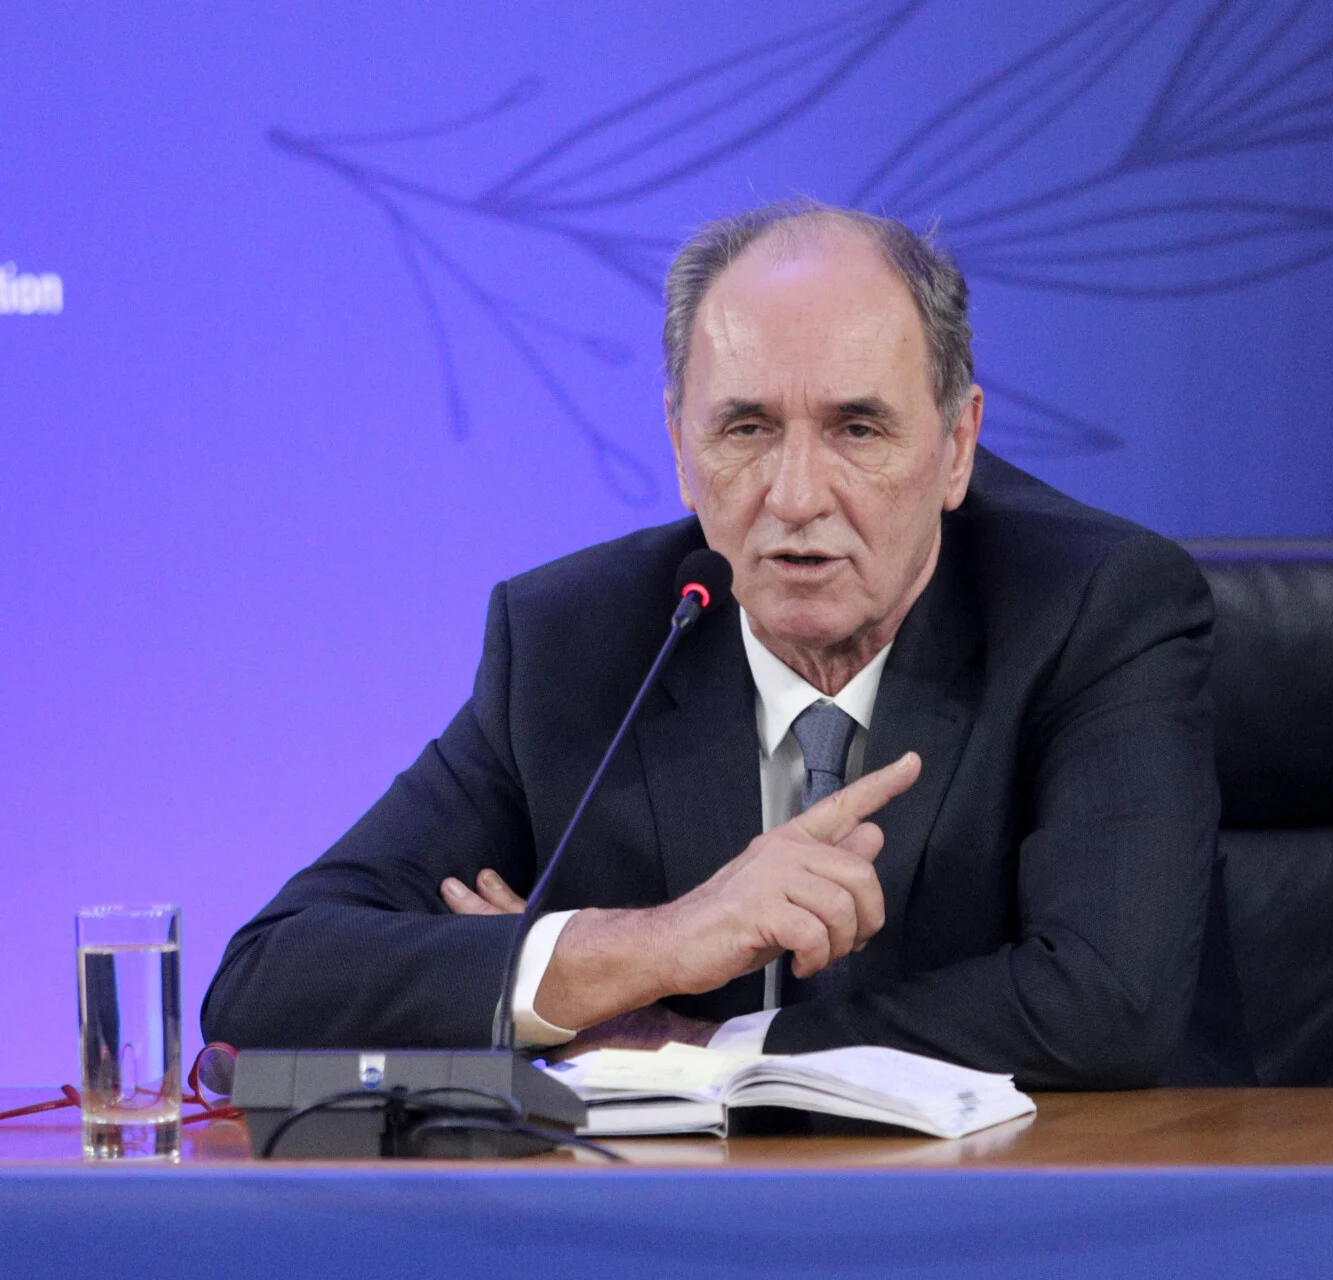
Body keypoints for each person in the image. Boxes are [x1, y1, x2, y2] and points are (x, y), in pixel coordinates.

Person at [202, 201, 1218, 1088]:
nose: (796, 495)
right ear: (680, 447)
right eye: (746, 429)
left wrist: (710, 1047)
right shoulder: (575, 642)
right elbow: (268, 979)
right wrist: (646, 947)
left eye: (858, 429)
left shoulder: (1091, 609)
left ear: (957, 446)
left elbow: (1103, 1003)